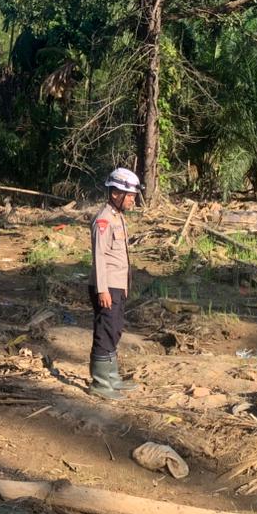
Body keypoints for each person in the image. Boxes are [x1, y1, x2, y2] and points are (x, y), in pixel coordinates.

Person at [89, 168, 141, 399]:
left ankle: (111, 377)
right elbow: (99, 256)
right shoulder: (104, 219)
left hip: (117, 285)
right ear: (115, 194)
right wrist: (102, 290)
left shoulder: (117, 216)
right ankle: (100, 383)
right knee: (105, 331)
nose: (132, 200)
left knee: (115, 330)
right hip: (107, 286)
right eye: (129, 196)